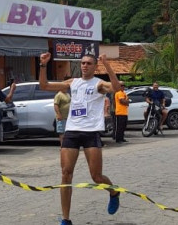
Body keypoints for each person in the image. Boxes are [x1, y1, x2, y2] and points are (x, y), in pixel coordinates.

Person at [39, 52, 121, 225]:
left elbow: (116, 88)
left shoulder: (98, 84)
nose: (85, 66)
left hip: (91, 133)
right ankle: (66, 219)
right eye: (83, 63)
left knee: (96, 177)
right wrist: (43, 65)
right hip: (72, 132)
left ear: (94, 66)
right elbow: (44, 85)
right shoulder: (72, 83)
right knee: (66, 174)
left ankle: (113, 192)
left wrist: (106, 64)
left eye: (89, 63)